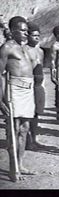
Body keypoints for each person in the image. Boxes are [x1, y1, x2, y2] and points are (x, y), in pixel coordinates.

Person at [0, 16, 37, 181]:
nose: (25, 33)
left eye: (26, 31)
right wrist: (1, 99)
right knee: (13, 130)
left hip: (28, 91)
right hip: (14, 89)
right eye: (22, 30)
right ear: (13, 30)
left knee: (25, 128)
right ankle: (13, 167)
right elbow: (0, 75)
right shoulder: (6, 48)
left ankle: (20, 164)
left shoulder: (25, 48)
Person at [24, 22, 45, 150]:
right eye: (34, 35)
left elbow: (40, 68)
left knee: (36, 113)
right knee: (27, 113)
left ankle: (34, 138)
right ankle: (27, 141)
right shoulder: (24, 50)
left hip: (38, 85)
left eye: (38, 35)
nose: (36, 38)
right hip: (28, 85)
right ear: (28, 36)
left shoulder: (40, 51)